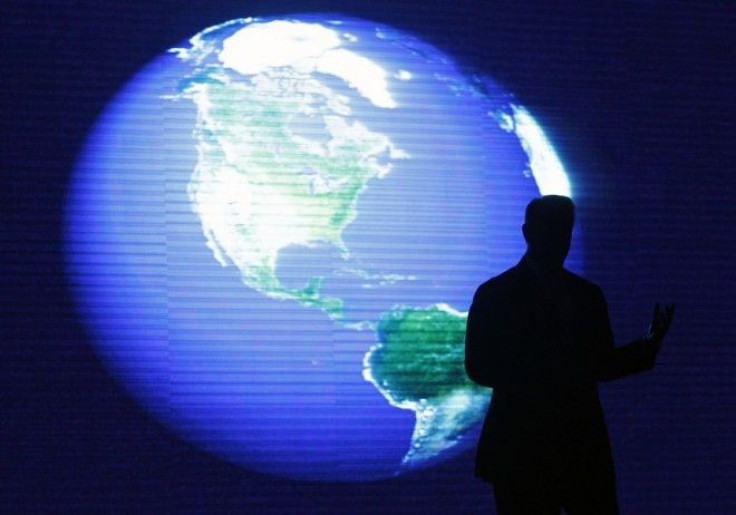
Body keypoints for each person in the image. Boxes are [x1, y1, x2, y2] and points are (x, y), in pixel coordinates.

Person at [464, 195, 674, 514]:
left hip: (579, 449)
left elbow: (600, 364)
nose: (560, 238)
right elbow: (479, 366)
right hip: (524, 453)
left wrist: (646, 347)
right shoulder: (496, 294)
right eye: (553, 229)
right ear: (528, 232)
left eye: (565, 230)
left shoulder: (585, 295)